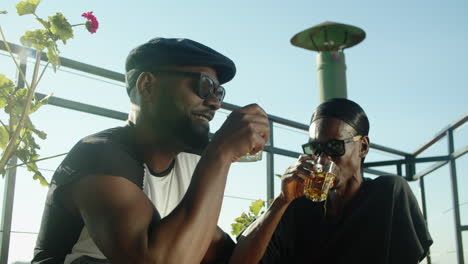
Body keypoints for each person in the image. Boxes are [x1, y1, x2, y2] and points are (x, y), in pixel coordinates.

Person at [32, 37, 270, 264]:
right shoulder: (98, 155)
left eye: (218, 92)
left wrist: (283, 200)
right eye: (204, 86)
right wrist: (220, 153)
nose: (215, 103)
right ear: (147, 86)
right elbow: (155, 260)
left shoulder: (190, 163)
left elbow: (228, 259)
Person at [229, 98, 433, 264]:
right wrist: (282, 200)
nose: (323, 159)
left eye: (335, 147)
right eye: (315, 149)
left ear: (363, 147)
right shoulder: (299, 206)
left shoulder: (387, 194)